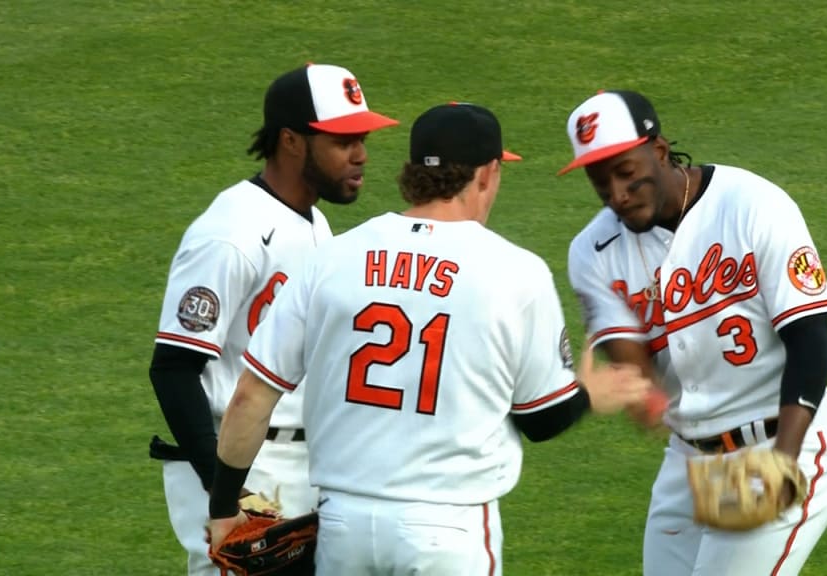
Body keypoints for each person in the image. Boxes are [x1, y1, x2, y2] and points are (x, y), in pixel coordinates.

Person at [206, 102, 653, 575]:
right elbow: (541, 418)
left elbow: (250, 397)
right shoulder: (515, 272)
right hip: (448, 533)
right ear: (487, 174)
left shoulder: (332, 259)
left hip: (344, 529)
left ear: (414, 173)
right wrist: (590, 394)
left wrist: (222, 508)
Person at [558, 90, 827, 575]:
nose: (616, 193)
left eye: (625, 171)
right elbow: (634, 367)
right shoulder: (592, 251)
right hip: (687, 465)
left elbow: (810, 338)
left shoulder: (752, 204)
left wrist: (783, 464)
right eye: (599, 180)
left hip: (780, 442)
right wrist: (635, 391)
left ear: (660, 151)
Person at [147, 62, 398, 575]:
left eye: (362, 138)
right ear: (291, 141)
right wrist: (227, 494)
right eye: (342, 140)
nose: (361, 154)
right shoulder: (232, 232)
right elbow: (172, 368)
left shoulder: (314, 223)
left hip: (306, 464)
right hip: (240, 464)